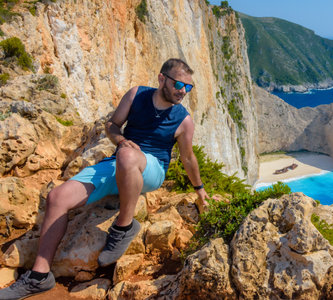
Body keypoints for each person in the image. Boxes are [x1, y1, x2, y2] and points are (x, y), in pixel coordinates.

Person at [0, 58, 208, 299]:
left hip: (152, 169)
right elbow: (113, 125)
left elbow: (188, 158)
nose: (183, 91)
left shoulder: (183, 120)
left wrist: (199, 189)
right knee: (57, 197)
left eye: (188, 87)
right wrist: (119, 140)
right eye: (179, 84)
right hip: (118, 161)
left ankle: (124, 226)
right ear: (162, 78)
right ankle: (39, 275)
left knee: (129, 156)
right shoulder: (136, 95)